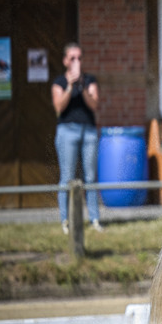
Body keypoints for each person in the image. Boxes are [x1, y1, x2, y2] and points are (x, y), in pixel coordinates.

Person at [51, 42, 102, 233]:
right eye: (72, 58)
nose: (76, 61)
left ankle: (94, 220)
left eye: (79, 58)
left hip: (88, 131)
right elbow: (59, 107)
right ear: (65, 61)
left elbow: (94, 105)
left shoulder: (89, 80)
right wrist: (70, 86)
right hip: (67, 131)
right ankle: (66, 221)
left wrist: (82, 85)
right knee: (67, 177)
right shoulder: (59, 82)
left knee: (90, 177)